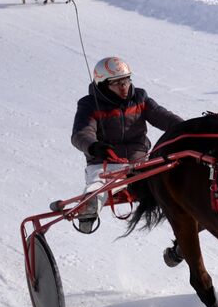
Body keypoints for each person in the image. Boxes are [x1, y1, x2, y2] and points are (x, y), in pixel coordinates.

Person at [70, 56, 184, 234]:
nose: (123, 87)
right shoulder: (89, 104)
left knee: (173, 175)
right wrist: (94, 147)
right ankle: (89, 209)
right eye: (116, 83)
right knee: (100, 182)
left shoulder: (140, 98)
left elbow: (165, 118)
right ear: (102, 85)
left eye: (126, 80)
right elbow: (81, 133)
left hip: (140, 162)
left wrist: (186, 129)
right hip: (106, 162)